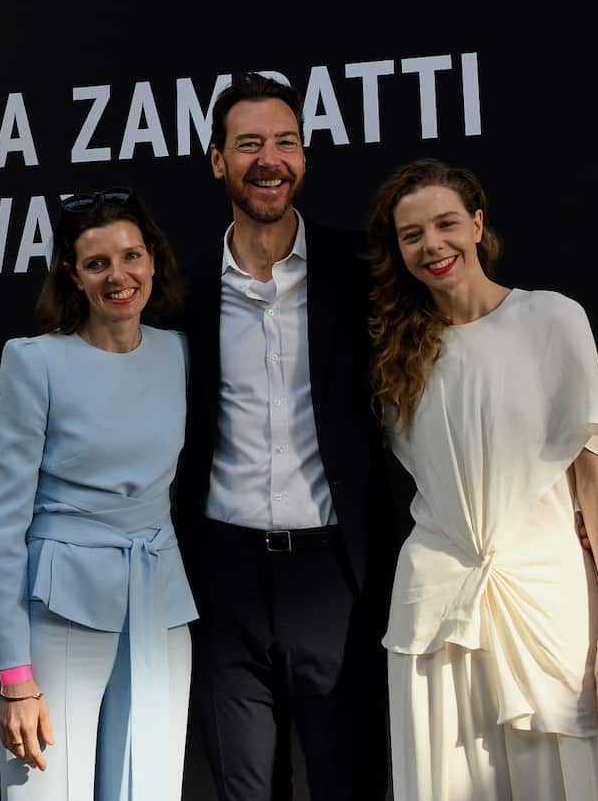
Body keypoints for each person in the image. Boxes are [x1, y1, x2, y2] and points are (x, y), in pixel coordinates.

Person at [366, 158, 598, 800]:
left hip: (550, 603)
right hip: (435, 606)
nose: (432, 245)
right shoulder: (392, 350)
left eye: (446, 224)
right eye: (412, 235)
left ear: (478, 224)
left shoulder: (552, 320)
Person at [173, 72, 394, 800]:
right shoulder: (181, 290)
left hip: (337, 579)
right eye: (248, 144)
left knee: (347, 783)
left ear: (303, 155)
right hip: (223, 578)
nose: (269, 159)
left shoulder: (362, 272)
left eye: (285, 142)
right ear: (217, 160)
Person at [0, 188, 197, 800]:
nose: (119, 277)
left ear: (153, 259)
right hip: (59, 611)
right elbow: (2, 524)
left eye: (131, 256)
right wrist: (13, 677)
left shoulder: (178, 353)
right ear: (72, 275)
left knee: (148, 788)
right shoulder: (34, 362)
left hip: (159, 600)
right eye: (97, 264)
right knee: (45, 792)